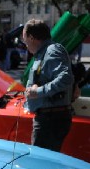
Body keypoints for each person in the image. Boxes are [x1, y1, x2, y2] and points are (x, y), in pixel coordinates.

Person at [22, 19, 74, 152]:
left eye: (25, 40)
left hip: (50, 120)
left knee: (40, 164)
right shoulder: (45, 52)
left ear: (32, 38)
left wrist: (38, 92)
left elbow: (66, 78)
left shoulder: (51, 51)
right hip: (48, 118)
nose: (25, 45)